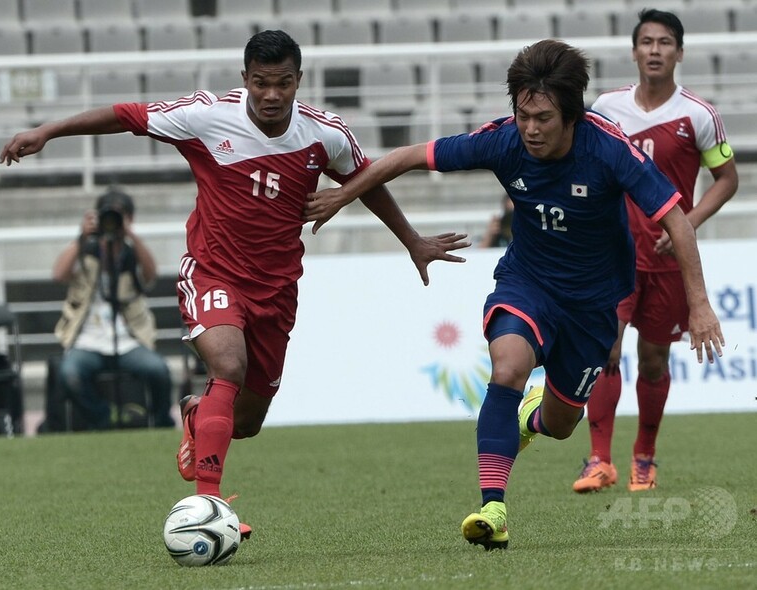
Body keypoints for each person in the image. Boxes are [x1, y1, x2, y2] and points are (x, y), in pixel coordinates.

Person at [0, 30, 469, 539]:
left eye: (283, 83)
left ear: (298, 81)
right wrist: (48, 130)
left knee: (246, 422)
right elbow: (124, 115)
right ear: (245, 79)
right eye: (262, 83)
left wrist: (411, 240)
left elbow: (366, 179)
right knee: (228, 363)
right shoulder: (206, 116)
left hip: (276, 291)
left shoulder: (324, 133)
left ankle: (197, 415)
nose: (272, 95)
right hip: (212, 271)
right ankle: (208, 506)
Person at [303, 39, 724, 550]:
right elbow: (413, 155)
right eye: (523, 114)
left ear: (571, 116)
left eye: (543, 118)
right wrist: (344, 194)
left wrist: (699, 305)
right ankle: (493, 507)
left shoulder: (610, 149)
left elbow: (676, 220)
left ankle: (532, 416)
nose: (530, 128)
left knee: (562, 423)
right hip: (528, 282)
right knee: (506, 368)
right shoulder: (504, 142)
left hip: (593, 305)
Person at [572, 9, 738, 494]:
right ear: (634, 51)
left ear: (679, 53)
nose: (655, 51)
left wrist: (689, 221)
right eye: (646, 42)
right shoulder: (606, 108)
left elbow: (727, 179)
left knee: (652, 361)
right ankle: (599, 460)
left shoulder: (699, 115)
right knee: (606, 349)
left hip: (668, 259)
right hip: (615, 255)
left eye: (665, 42)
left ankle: (644, 455)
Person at [51, 189, 175, 430]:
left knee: (159, 370)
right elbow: (58, 275)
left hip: (129, 339)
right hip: (88, 340)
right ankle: (104, 419)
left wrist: (130, 235)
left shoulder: (131, 254)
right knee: (69, 374)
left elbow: (151, 276)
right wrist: (81, 237)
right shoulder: (86, 250)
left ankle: (161, 422)